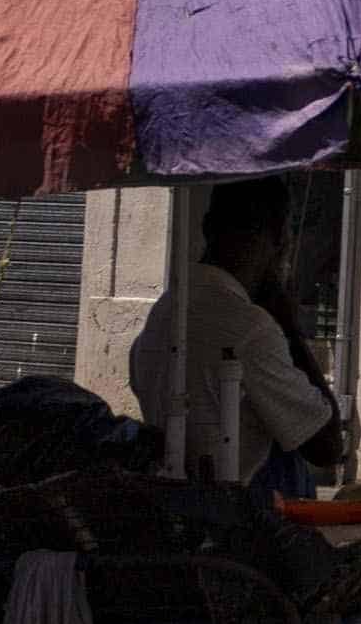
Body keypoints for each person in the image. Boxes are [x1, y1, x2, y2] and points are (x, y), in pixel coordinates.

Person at [126, 178, 343, 493]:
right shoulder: (251, 328)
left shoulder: (165, 309)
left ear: (207, 228)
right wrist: (288, 326)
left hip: (172, 492)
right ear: (279, 241)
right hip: (239, 505)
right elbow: (326, 446)